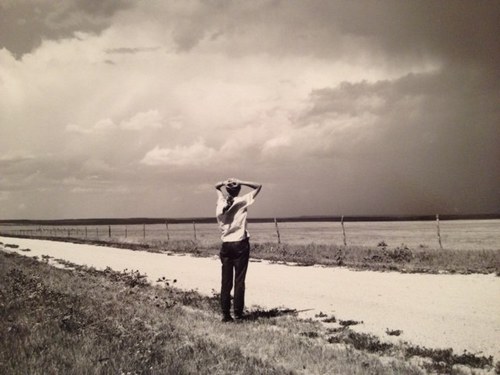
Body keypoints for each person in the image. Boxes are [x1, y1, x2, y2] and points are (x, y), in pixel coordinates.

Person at [215, 177, 262, 322]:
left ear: (227, 191)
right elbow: (258, 185)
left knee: (226, 281)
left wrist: (225, 183)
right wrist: (239, 181)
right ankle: (238, 314)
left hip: (226, 244)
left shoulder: (221, 202)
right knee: (239, 281)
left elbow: (216, 187)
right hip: (240, 244)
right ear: (238, 190)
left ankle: (225, 315)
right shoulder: (242, 201)